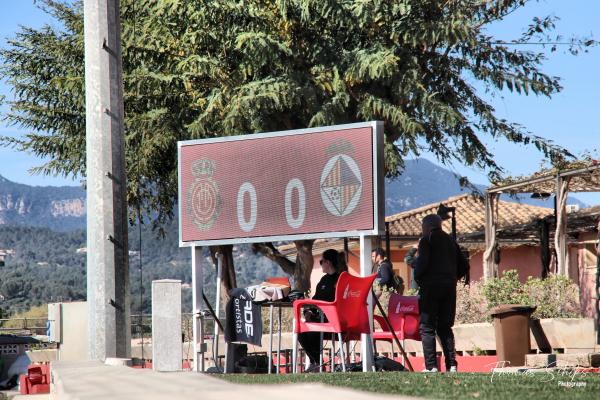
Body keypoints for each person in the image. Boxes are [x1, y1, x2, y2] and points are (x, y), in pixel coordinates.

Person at [414, 214, 469, 373]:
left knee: (427, 326)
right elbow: (465, 266)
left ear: (427, 227)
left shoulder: (426, 240)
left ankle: (431, 366)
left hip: (430, 288)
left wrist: (419, 278)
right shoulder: (452, 241)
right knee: (445, 327)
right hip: (449, 288)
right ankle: (452, 365)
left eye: (422, 228)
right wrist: (452, 278)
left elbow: (422, 264)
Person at [297, 249, 343, 371]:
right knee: (301, 333)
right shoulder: (323, 280)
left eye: (322, 261)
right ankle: (316, 362)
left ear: (328, 262)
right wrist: (308, 312)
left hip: (333, 321)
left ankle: (317, 364)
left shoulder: (341, 280)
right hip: (320, 319)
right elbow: (314, 300)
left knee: (313, 332)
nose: (321, 264)